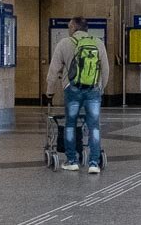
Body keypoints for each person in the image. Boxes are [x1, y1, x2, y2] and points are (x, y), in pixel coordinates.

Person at [46, 16, 109, 173]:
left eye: (69, 27)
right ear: (86, 28)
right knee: (94, 126)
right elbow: (105, 69)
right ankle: (94, 163)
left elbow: (53, 70)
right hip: (93, 90)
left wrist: (49, 91)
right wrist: (100, 89)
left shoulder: (64, 43)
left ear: (74, 28)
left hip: (72, 90)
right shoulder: (98, 43)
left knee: (70, 124)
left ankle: (71, 160)